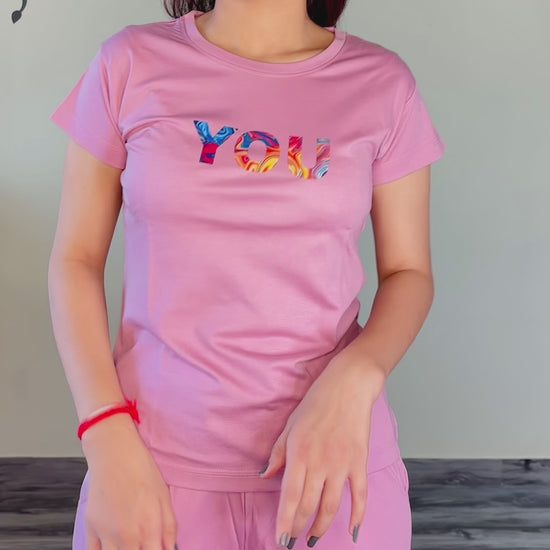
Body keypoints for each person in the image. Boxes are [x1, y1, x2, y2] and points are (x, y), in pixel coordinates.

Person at [48, 1, 446, 549]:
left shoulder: (384, 84)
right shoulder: (129, 62)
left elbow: (408, 271)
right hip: (148, 472)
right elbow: (76, 259)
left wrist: (356, 378)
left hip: (331, 466)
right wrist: (104, 433)